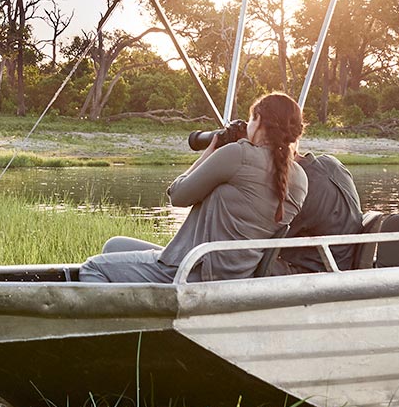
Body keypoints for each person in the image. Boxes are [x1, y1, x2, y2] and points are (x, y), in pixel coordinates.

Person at [79, 93, 309, 283]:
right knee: (114, 246)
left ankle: (132, 334)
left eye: (250, 120)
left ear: (258, 120)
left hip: (194, 272)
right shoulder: (300, 178)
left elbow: (177, 195)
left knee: (92, 268)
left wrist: (210, 152)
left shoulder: (238, 155)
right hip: (235, 274)